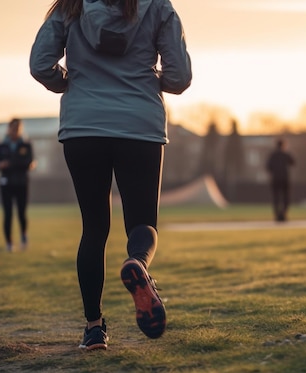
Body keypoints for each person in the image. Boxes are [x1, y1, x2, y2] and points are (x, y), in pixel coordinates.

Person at [30, 0, 192, 350]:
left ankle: (93, 328)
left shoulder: (71, 6)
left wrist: (70, 83)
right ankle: (137, 263)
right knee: (142, 222)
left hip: (83, 126)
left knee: (93, 228)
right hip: (140, 126)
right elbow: (180, 78)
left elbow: (40, 64)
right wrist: (149, 80)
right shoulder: (158, 7)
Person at [0, 118, 35, 252]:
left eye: (18, 127)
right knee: (8, 213)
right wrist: (1, 165)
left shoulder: (26, 145)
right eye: (13, 127)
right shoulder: (1, 146)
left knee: (22, 212)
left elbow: (28, 162)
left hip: (22, 183)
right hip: (6, 184)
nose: (15, 130)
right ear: (9, 128)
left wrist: (9, 163)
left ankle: (23, 236)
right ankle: (9, 243)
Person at [266, 138, 295, 222]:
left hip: (275, 179)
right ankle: (284, 213)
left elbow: (268, 167)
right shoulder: (285, 154)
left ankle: (277, 214)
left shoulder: (272, 155)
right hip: (284, 179)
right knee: (286, 197)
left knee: (276, 197)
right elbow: (293, 162)